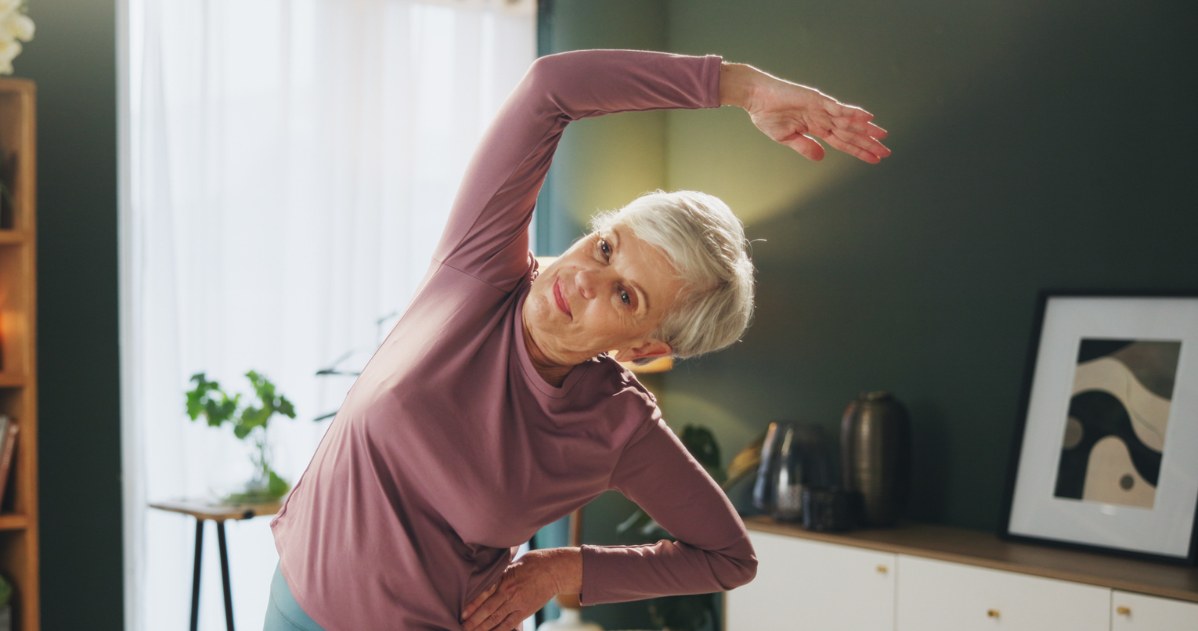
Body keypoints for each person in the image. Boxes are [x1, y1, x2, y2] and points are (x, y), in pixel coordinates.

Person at [265, 49, 890, 631]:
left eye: (625, 295)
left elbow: (729, 557)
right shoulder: (480, 268)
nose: (585, 277)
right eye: (606, 246)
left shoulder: (617, 424)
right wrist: (747, 88)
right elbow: (550, 89)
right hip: (293, 605)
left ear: (645, 347)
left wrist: (562, 569)